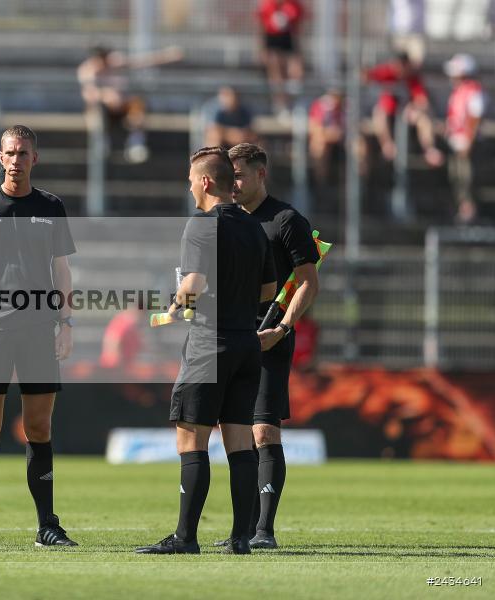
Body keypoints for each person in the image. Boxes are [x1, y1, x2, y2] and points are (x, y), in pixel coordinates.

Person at [136, 146, 276, 555]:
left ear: (205, 181)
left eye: (191, 182)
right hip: (246, 344)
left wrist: (175, 306)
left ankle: (185, 538)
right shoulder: (254, 227)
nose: (190, 190)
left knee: (191, 440)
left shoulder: (201, 224)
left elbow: (194, 282)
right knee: (240, 444)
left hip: (209, 344)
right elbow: (268, 290)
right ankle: (241, 538)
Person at [0, 125, 78, 547]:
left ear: (34, 159)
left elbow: (61, 270)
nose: (16, 160)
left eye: (24, 153)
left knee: (38, 426)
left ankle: (47, 525)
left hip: (40, 329)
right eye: (10, 153)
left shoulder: (51, 206)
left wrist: (66, 324)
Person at [221, 142, 320, 549]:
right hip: (231, 336)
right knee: (235, 432)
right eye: (227, 177)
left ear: (261, 174)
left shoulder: (286, 220)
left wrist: (281, 328)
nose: (232, 184)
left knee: (263, 431)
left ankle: (264, 530)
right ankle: (241, 530)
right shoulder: (224, 220)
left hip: (269, 338)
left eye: (238, 176)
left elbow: (308, 282)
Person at [77, 44, 182, 164]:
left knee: (138, 105)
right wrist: (105, 95)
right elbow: (89, 95)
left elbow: (142, 61)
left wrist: (167, 55)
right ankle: (100, 141)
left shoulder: (115, 62)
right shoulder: (87, 71)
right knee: (94, 111)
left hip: (122, 106)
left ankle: (136, 143)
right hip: (103, 108)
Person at [363, 52, 442, 167]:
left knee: (423, 119)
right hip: (388, 112)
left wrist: (413, 107)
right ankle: (387, 146)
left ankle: (430, 150)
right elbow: (365, 76)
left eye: (403, 65)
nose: (399, 69)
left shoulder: (412, 77)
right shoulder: (386, 72)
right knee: (379, 113)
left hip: (406, 114)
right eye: (397, 65)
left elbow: (423, 101)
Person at [443, 53, 485, 224]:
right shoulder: (458, 91)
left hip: (466, 143)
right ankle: (460, 208)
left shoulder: (473, 90)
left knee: (466, 177)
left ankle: (469, 211)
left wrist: (468, 141)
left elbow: (475, 116)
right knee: (456, 177)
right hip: (455, 142)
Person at [256, 0, 305, 119]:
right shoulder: (267, 5)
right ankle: (280, 104)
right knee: (276, 72)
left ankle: (292, 102)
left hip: (288, 39)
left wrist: (298, 51)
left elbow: (297, 29)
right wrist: (261, 49)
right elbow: (261, 27)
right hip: (272, 39)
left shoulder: (293, 5)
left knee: (295, 72)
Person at [307, 88, 344, 185]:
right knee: (319, 146)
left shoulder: (345, 105)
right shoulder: (321, 105)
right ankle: (319, 185)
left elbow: (345, 128)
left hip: (342, 141)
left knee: (358, 147)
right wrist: (330, 134)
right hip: (325, 139)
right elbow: (315, 128)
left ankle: (357, 186)